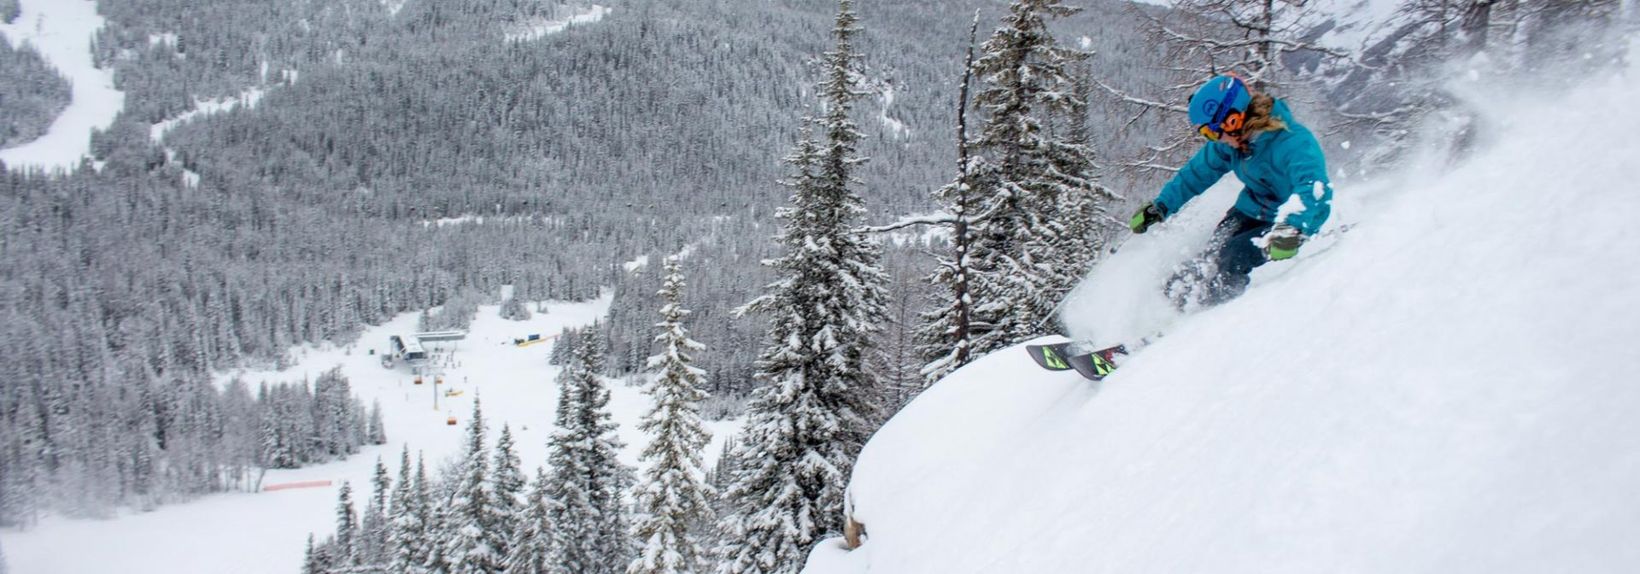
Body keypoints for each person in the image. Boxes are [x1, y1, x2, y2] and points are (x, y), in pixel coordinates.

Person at [1128, 74, 1333, 307]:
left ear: (1232, 120)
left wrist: (1292, 228)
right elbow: (1196, 173)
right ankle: (1166, 305)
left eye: (1211, 132)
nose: (1214, 140)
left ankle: (1214, 313)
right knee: (1213, 251)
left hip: (1291, 221)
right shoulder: (1235, 144)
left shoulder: (1293, 143)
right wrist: (1162, 205)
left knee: (1235, 255)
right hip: (1252, 209)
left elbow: (1313, 188)